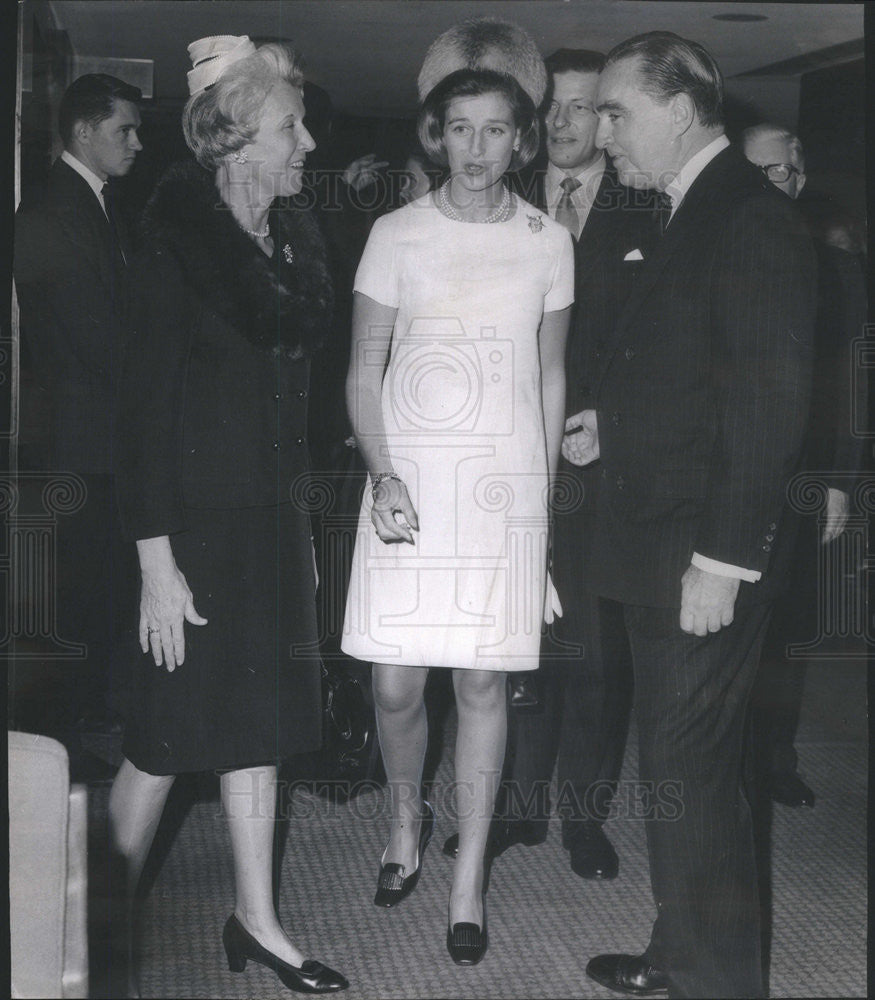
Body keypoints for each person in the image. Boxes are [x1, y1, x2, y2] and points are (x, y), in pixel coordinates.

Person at [577, 33, 816, 998]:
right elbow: (692, 374)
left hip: (699, 553)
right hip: (656, 536)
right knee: (677, 775)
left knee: (698, 785)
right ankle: (679, 951)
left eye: (614, 113)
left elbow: (768, 408)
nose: (599, 135)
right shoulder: (684, 208)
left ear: (680, 112)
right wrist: (612, 424)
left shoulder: (749, 218)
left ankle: (719, 984)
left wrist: (722, 561)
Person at [109, 35, 347, 996]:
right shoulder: (170, 244)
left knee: (260, 728)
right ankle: (83, 932)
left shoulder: (289, 243)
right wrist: (156, 566)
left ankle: (256, 920)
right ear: (239, 137)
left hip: (269, 524)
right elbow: (138, 417)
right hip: (190, 535)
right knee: (167, 738)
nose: (309, 145)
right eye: (292, 126)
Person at [341, 67, 573, 966]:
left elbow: (548, 377)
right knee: (396, 684)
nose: (478, 150)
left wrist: (541, 504)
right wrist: (383, 473)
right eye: (461, 130)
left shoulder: (547, 241)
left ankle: (468, 876)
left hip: (504, 490)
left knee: (481, 685)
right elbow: (364, 371)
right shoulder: (395, 233)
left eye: (496, 131)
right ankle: (407, 814)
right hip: (407, 483)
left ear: (523, 139)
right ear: (438, 134)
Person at [443, 47, 645, 881]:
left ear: (607, 119)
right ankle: (514, 811)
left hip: (604, 469)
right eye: (551, 107)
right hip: (504, 458)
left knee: (594, 653)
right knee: (506, 643)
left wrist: (615, 420)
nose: (562, 123)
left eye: (581, 107)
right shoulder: (496, 201)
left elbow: (667, 347)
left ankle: (583, 817)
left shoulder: (652, 210)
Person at [13, 73, 143, 761]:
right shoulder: (51, 212)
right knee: (78, 601)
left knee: (97, 594)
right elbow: (98, 340)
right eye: (126, 129)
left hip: (96, 442)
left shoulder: (94, 204)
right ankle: (64, 750)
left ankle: (83, 733)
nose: (137, 143)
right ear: (85, 131)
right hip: (75, 447)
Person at [743, 124, 867, 809]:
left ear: (800, 175)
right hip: (728, 471)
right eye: (754, 174)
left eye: (780, 173)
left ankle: (773, 756)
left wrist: (842, 484)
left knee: (786, 626)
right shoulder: (720, 253)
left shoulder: (836, 267)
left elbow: (854, 385)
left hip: (804, 478)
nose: (771, 187)